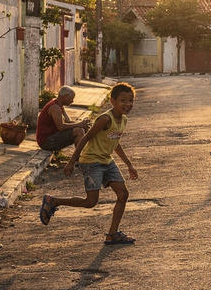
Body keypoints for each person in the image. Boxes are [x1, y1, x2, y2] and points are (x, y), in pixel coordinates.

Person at [38, 82, 140, 245]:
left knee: (123, 194)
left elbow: (115, 141)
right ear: (113, 101)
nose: (127, 105)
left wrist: (129, 164)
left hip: (107, 160)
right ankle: (53, 201)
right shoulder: (105, 118)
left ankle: (112, 234)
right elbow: (85, 137)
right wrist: (72, 162)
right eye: (123, 101)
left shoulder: (123, 119)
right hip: (92, 161)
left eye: (131, 101)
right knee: (91, 202)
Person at [36, 86, 89, 153]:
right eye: (71, 98)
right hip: (46, 141)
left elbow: (68, 121)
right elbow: (61, 127)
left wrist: (82, 124)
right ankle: (78, 157)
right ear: (65, 96)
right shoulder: (55, 107)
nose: (72, 101)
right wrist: (79, 125)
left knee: (81, 129)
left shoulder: (60, 106)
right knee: (79, 131)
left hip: (52, 137)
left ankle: (83, 154)